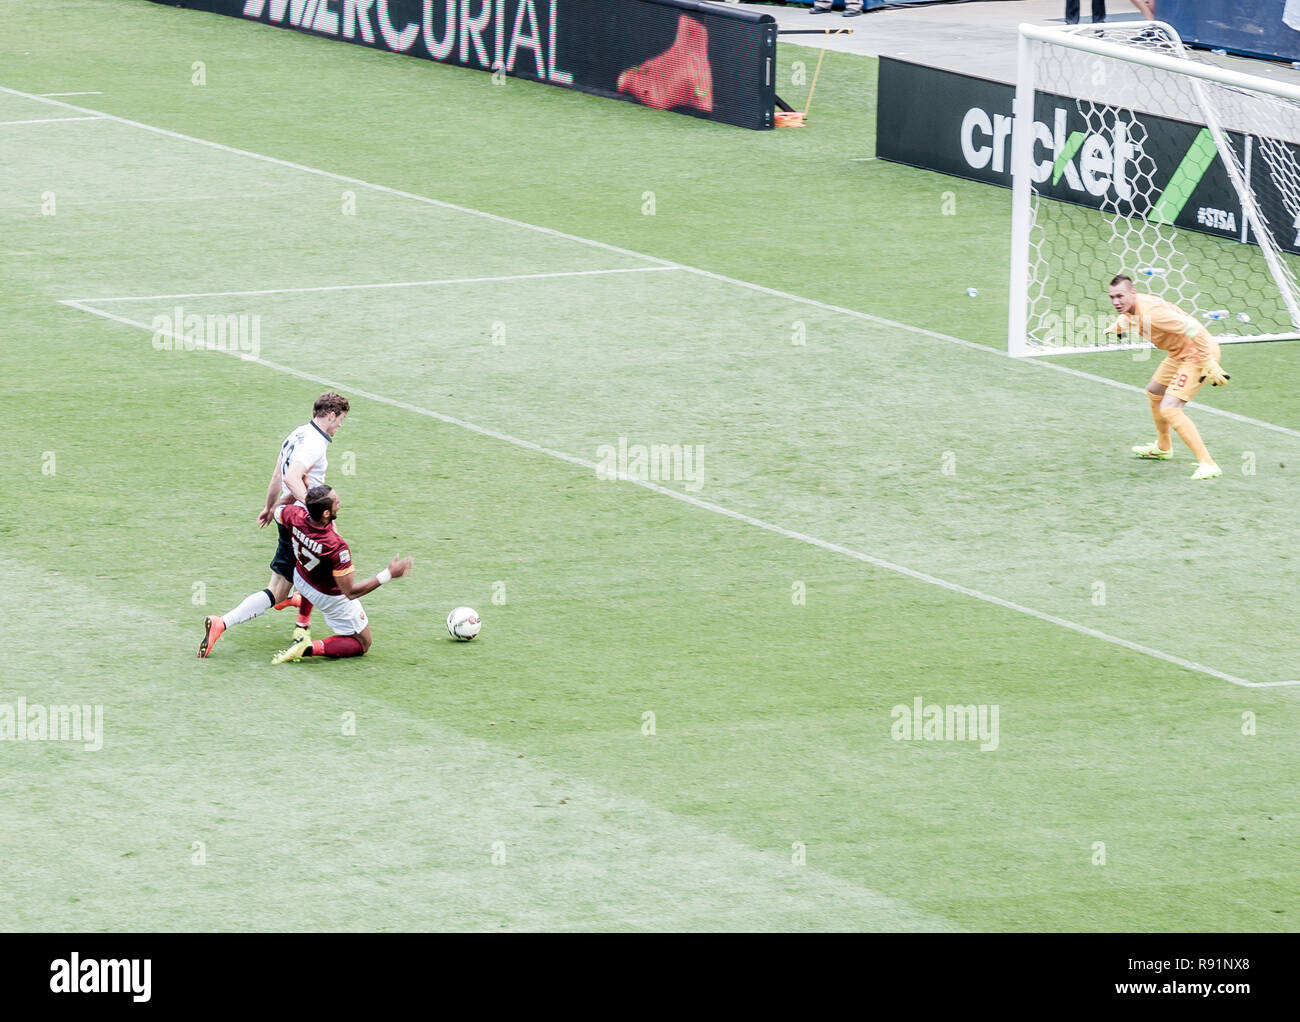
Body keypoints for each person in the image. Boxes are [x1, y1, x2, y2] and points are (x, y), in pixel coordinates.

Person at [198, 392, 350, 658]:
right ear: (330, 414)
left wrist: (270, 507)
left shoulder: (297, 434)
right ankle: (226, 622)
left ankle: (296, 599)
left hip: (289, 515)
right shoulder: (314, 443)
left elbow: (276, 475)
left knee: (298, 579)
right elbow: (291, 477)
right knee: (302, 580)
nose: (341, 426)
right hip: (304, 522)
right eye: (341, 419)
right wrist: (313, 509)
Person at [268, 485, 413, 663]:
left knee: (318, 570)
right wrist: (388, 574)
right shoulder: (335, 546)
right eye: (336, 502)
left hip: (301, 578)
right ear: (326, 514)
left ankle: (302, 625)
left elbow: (277, 510)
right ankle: (307, 648)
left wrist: (281, 500)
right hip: (327, 596)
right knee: (363, 642)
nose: (340, 503)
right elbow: (350, 592)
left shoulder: (293, 514)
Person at [1105, 274, 1229, 480]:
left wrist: (1208, 362)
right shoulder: (1132, 307)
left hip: (1198, 354)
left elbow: (1193, 328)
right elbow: (1128, 316)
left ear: (1133, 293)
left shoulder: (1153, 313)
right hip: (1178, 353)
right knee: (1154, 391)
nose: (1116, 302)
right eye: (1112, 297)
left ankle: (1208, 463)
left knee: (1170, 407)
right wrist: (1117, 327)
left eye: (1120, 296)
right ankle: (1163, 447)